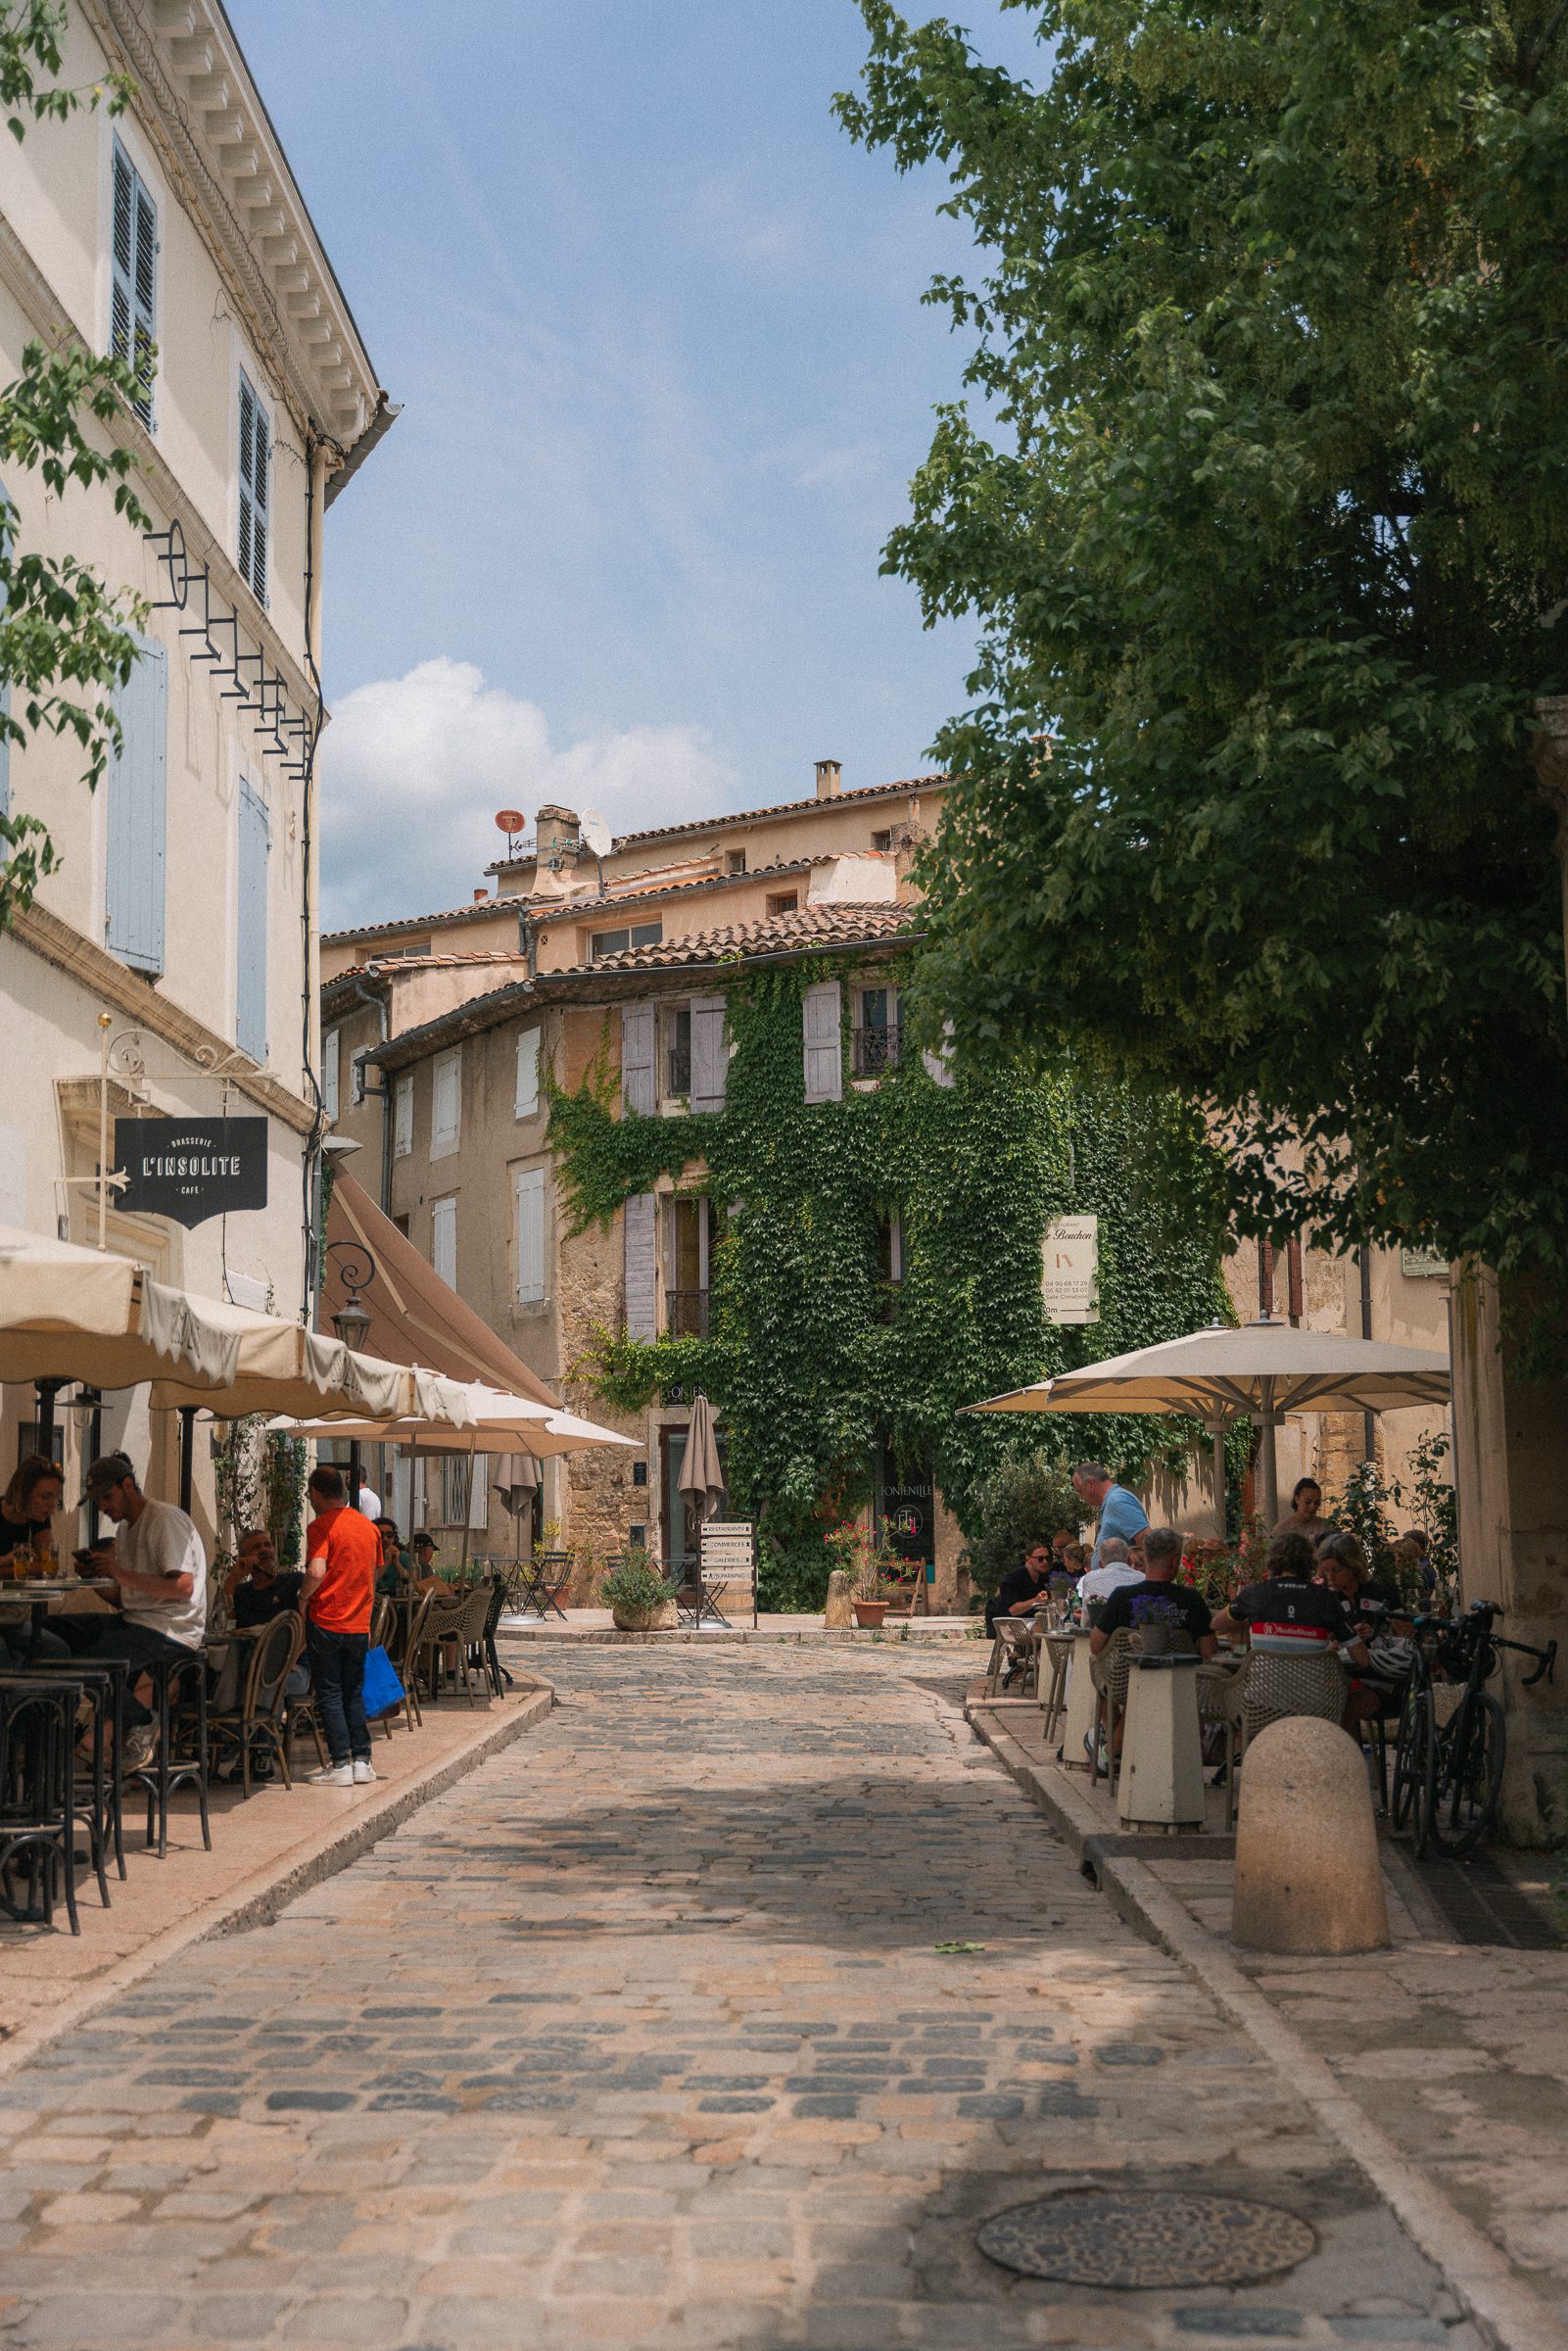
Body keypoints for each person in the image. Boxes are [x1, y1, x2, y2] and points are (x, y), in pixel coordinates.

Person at [67, 1453, 208, 1769]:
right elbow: (130, 1598)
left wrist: (117, 1572)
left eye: (107, 1496)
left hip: (173, 1629)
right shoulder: (125, 1531)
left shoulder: (163, 1520)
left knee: (85, 1664)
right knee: (57, 1635)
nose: (103, 1507)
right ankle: (64, 1733)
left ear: (128, 1485)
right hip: (137, 1621)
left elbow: (182, 1587)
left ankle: (142, 1721)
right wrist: (96, 1578)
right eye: (97, 1501)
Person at [300, 1463, 380, 1787]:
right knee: (354, 1692)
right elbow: (374, 1574)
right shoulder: (368, 1528)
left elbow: (316, 1571)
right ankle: (362, 1760)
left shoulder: (321, 1527)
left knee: (330, 1693)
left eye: (309, 1495)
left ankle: (340, 1763)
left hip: (327, 1620)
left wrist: (303, 1596)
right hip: (359, 1623)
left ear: (317, 1494)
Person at [1090, 1526, 1217, 1659]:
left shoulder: (1121, 1596)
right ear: (1175, 1562)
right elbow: (1209, 1652)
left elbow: (1096, 1646)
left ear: (1146, 1558)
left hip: (1128, 1677)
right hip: (1178, 1678)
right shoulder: (1192, 1599)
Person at [0, 1456, 71, 1663]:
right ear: (23, 1492)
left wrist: (10, 1566)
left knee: (57, 1650)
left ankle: (38, 1697)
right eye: (45, 1497)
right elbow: (36, 1568)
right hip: (10, 1615)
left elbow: (48, 1567)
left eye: (56, 1498)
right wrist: (10, 1563)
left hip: (13, 1618)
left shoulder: (38, 1521)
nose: (52, 1506)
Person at [1072, 1461, 1149, 1570]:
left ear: (1090, 1484)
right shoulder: (1111, 1502)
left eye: (1080, 1491)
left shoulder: (1117, 1501)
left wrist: (1138, 1579)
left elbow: (1145, 1537)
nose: (1081, 1497)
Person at [986, 1538, 1053, 1636]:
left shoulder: (1045, 1578)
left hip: (1033, 1620)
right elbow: (1012, 1610)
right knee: (1043, 1632)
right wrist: (1035, 1600)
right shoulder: (1013, 1579)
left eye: (1047, 1558)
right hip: (1009, 1622)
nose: (1045, 1562)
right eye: (1040, 1558)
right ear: (1028, 1558)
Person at [1075, 1535, 1143, 1609]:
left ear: (1100, 1564)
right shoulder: (1143, 1579)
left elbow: (1087, 1617)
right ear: (1129, 1560)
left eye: (1139, 1564)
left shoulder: (1090, 1579)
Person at [1273, 1476, 1337, 1547]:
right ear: (1297, 1499)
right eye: (1307, 1502)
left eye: (1317, 1503)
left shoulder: (1326, 1526)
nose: (1312, 1507)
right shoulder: (1282, 1529)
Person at [375, 1517, 411, 1597]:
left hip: (399, 1604)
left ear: (394, 1537)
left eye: (389, 1535)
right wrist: (386, 1563)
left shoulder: (403, 1557)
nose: (385, 1539)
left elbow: (413, 1582)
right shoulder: (368, 1557)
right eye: (381, 1535)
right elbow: (369, 1583)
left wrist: (397, 1563)